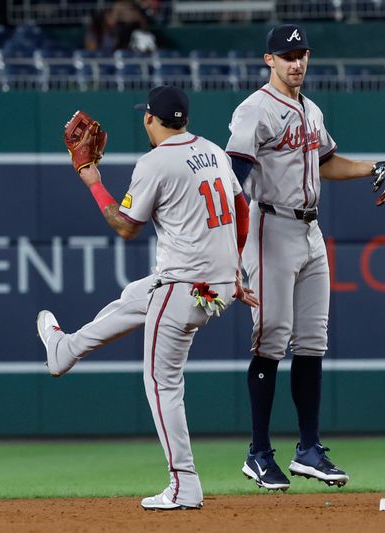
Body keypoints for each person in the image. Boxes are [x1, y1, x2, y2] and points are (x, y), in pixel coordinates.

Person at [36, 85, 258, 510]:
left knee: (162, 384)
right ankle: (65, 350)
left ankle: (184, 483)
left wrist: (92, 181)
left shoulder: (155, 162)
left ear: (149, 119)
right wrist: (236, 270)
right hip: (216, 288)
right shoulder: (213, 151)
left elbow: (125, 226)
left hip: (182, 290)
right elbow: (242, 209)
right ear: (185, 119)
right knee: (136, 295)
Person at [225, 24, 385, 491]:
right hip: (269, 225)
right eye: (285, 55)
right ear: (268, 60)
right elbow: (233, 176)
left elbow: (326, 162)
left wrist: (373, 167)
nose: (295, 62)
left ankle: (309, 449)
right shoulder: (254, 109)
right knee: (271, 338)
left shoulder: (311, 110)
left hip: (310, 229)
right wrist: (229, 245)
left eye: (300, 54)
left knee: (313, 339)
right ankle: (258, 453)